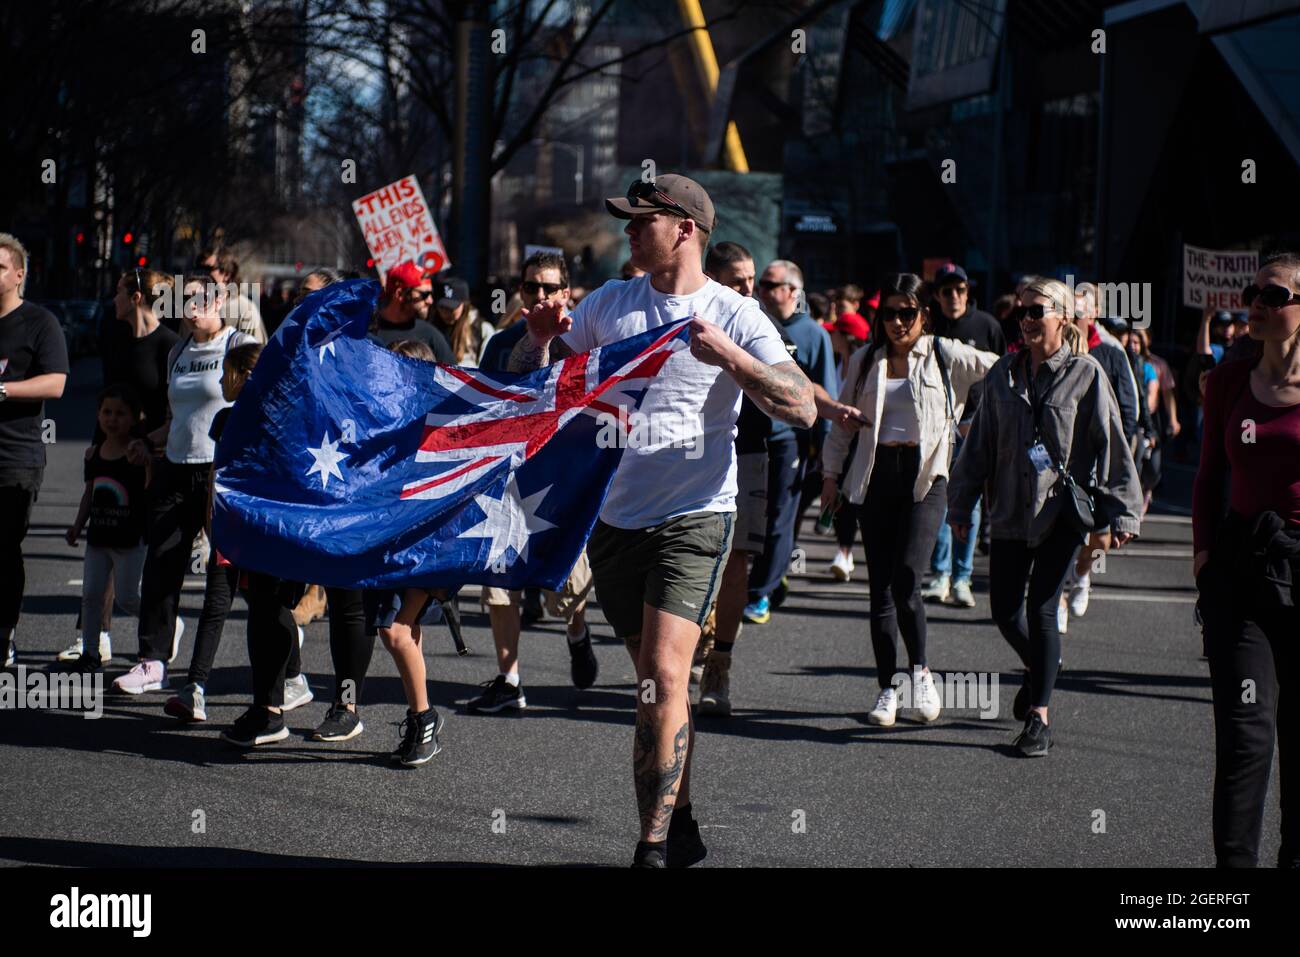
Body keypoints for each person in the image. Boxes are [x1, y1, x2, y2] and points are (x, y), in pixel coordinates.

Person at [508, 173, 816, 867]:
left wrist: (732, 359)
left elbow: (801, 407)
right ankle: (681, 818)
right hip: (615, 522)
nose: (626, 232)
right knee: (660, 687)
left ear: (684, 227)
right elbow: (535, 379)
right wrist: (537, 341)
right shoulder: (611, 303)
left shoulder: (732, 314)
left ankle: (649, 847)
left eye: (639, 220)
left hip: (697, 517)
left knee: (662, 675)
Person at [948, 278, 1142, 757]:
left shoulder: (1086, 373)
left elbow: (1112, 443)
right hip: (1011, 509)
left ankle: (1039, 718)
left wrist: (1123, 514)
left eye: (1037, 311)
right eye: (1022, 312)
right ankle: (1040, 668)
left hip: (1061, 511)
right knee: (1004, 610)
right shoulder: (1001, 376)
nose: (1027, 320)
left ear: (1062, 316)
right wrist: (959, 504)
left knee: (1041, 609)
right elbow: (978, 448)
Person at [822, 273, 998, 726]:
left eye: (908, 313)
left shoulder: (944, 354)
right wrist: (829, 475)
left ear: (924, 315)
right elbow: (842, 423)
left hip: (926, 479)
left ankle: (920, 673)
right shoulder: (865, 360)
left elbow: (1001, 367)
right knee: (879, 588)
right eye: (890, 313)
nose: (898, 322)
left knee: (906, 578)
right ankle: (887, 689)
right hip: (875, 476)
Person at [1194, 251, 1300, 867]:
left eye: (1275, 295)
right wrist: (1204, 557)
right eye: (1253, 292)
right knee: (1244, 736)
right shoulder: (1232, 378)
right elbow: (1208, 477)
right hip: (1241, 572)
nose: (1257, 303)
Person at [464, 256, 601, 714]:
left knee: (567, 581)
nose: (539, 296)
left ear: (567, 291)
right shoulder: (500, 343)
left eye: (548, 288)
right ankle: (510, 679)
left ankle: (577, 633)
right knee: (499, 582)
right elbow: (485, 404)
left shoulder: (582, 342)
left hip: (563, 478)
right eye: (530, 288)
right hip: (509, 476)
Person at [113, 275, 255, 694]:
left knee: (235, 574)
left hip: (219, 473)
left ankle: (287, 647)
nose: (194, 305)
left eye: (203, 297)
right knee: (162, 565)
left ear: (221, 299)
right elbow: (178, 419)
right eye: (186, 298)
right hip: (175, 469)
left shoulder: (238, 346)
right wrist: (145, 442)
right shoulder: (178, 350)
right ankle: (152, 661)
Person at [165, 342, 313, 721]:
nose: (220, 380)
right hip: (228, 526)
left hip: (262, 530)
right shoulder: (225, 420)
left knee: (270, 607)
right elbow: (218, 477)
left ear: (247, 376)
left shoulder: (280, 419)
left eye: (227, 372)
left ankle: (293, 677)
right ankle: (195, 688)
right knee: (217, 604)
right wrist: (211, 524)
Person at [743, 259, 838, 625]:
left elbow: (822, 393)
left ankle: (759, 592)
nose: (762, 291)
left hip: (788, 441)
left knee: (780, 516)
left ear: (793, 292)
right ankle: (763, 576)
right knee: (747, 514)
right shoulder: (753, 323)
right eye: (761, 285)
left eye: (769, 285)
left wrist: (824, 451)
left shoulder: (814, 335)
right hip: (747, 436)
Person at [0, 233, 70, 669]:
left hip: (16, 457)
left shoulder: (40, 322)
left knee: (4, 548)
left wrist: (3, 390)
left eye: (0, 267)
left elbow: (57, 382)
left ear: (19, 275)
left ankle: (4, 632)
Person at [920, 263, 1005, 608]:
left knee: (969, 502)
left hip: (978, 427)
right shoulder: (927, 326)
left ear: (969, 292)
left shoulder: (986, 325)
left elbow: (1003, 370)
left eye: (960, 289)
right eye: (946, 290)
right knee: (938, 500)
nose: (953, 296)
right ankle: (939, 575)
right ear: (937, 295)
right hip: (936, 426)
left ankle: (962, 577)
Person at [1059, 282, 1141, 627]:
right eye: (1072, 307)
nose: (1078, 314)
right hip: (1059, 460)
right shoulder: (1051, 344)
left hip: (1097, 459)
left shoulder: (1109, 351)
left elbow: (1128, 405)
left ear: (1094, 312)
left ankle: (1082, 575)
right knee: (1056, 535)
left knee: (1101, 537)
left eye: (1084, 307)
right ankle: (1057, 599)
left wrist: (1127, 448)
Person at [62, 385, 149, 673]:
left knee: (126, 597)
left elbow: (150, 491)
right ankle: (90, 653)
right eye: (107, 412)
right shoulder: (94, 454)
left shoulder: (136, 454)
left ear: (136, 418)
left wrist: (149, 463)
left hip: (129, 540)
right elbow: (91, 493)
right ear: (98, 415)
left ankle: (163, 625)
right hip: (98, 538)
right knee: (91, 595)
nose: (112, 419)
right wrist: (77, 526)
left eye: (120, 413)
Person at [368, 262, 455, 364]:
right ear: (399, 293)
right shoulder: (368, 330)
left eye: (431, 294)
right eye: (425, 294)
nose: (430, 301)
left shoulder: (431, 335)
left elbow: (452, 377)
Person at [196, 248, 267, 344]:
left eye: (208, 269)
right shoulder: (193, 307)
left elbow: (256, 354)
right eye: (198, 268)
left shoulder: (246, 310)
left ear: (227, 274)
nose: (201, 274)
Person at [430, 275, 494, 366]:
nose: (446, 313)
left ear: (464, 305)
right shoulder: (431, 328)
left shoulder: (483, 330)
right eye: (442, 307)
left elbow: (487, 369)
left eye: (451, 309)